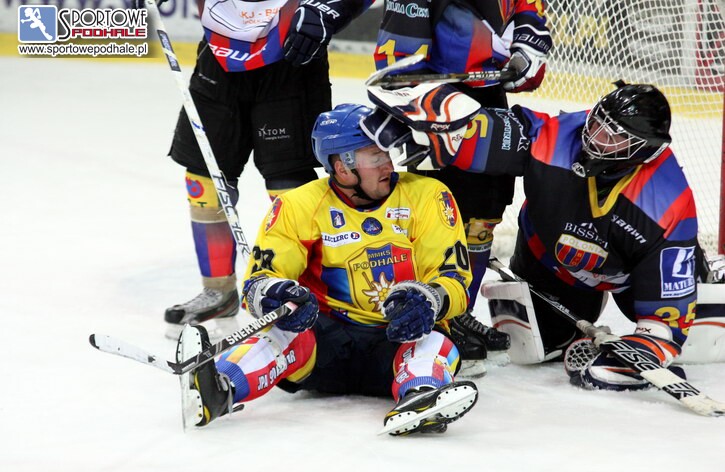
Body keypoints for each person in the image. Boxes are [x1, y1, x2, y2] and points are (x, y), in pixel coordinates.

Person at [369, 79, 725, 391]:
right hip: (551, 263)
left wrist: (649, 345)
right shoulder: (557, 137)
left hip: (632, 278)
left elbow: (664, 321)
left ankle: (709, 279)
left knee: (695, 338)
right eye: (597, 122)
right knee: (530, 345)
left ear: (643, 149)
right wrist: (445, 133)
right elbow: (493, 134)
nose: (594, 136)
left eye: (613, 137)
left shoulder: (667, 203)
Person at [178, 104, 478, 435]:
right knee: (280, 333)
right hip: (324, 346)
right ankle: (219, 387)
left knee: (433, 341)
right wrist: (278, 296)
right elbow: (257, 284)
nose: (388, 164)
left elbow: (455, 281)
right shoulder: (298, 205)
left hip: (397, 342)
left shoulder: (429, 195)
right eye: (375, 156)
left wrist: (429, 300)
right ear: (342, 167)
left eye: (387, 153)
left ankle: (421, 397)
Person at [140, 0, 374, 337]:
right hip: (220, 50)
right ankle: (218, 292)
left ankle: (306, 298)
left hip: (292, 51)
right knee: (204, 183)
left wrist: (329, 9)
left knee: (289, 189)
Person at [373, 0, 552, 369]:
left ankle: (457, 313)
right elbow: (394, 62)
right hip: (433, 100)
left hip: (487, 97)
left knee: (485, 214)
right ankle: (426, 314)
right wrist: (418, 108)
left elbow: (526, 11)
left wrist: (528, 44)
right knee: (436, 213)